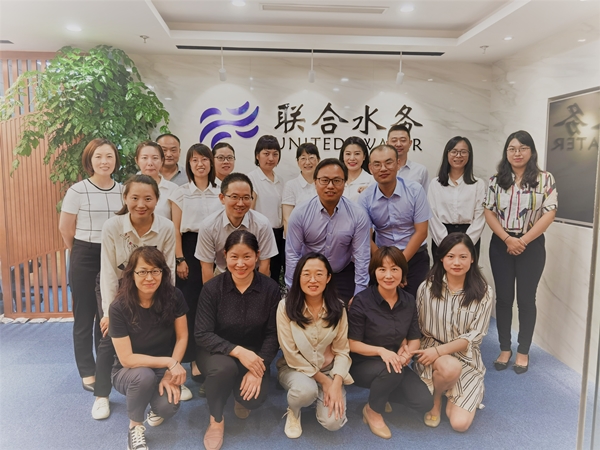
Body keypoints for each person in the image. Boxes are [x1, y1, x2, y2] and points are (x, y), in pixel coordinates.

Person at [91, 174, 182, 421]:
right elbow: (108, 271)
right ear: (125, 198)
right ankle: (101, 394)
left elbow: (168, 268)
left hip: (153, 285)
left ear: (157, 200)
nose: (141, 204)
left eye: (148, 199)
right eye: (135, 198)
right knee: (109, 336)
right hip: (119, 285)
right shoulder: (112, 226)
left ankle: (164, 379)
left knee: (157, 331)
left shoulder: (165, 227)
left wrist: (168, 302)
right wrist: (109, 312)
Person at [195, 230, 280, 450]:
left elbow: (273, 334)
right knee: (224, 370)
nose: (240, 264)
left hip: (254, 353)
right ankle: (216, 420)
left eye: (247, 256)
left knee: (253, 399)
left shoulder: (270, 289)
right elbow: (202, 333)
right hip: (216, 351)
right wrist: (238, 352)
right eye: (234, 257)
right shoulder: (212, 288)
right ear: (225, 256)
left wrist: (258, 368)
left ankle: (235, 392)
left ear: (257, 256)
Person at [484, 130, 557, 374]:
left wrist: (522, 240)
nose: (517, 153)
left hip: (531, 245)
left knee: (526, 300)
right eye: (512, 148)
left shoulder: (545, 179)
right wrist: (507, 239)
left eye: (523, 148)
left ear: (531, 151)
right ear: (506, 152)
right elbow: (489, 212)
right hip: (501, 244)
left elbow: (549, 213)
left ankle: (523, 350)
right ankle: (505, 348)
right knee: (504, 299)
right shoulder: (496, 180)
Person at [59, 138, 123, 393]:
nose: (104, 161)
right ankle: (87, 369)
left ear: (116, 160)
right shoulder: (77, 190)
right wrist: (78, 252)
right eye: (98, 156)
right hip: (85, 253)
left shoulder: (123, 190)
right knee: (85, 315)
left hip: (113, 256)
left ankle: (104, 366)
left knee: (108, 313)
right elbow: (65, 228)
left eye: (109, 156)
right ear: (89, 160)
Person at [348, 246, 432, 439]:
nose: (388, 275)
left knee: (423, 402)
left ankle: (382, 393)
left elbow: (414, 339)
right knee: (391, 371)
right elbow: (352, 344)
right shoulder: (362, 301)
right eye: (382, 269)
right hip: (362, 364)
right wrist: (381, 351)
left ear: (402, 272)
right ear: (374, 272)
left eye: (394, 269)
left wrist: (407, 354)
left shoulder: (408, 300)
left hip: (395, 363)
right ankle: (372, 411)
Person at [412, 233, 493, 432]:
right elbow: (416, 325)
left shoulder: (484, 292)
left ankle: (457, 388)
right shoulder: (427, 288)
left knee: (459, 424)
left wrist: (440, 351)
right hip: (431, 351)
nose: (456, 262)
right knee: (449, 368)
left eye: (463, 257)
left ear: (472, 258)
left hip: (465, 355)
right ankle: (437, 399)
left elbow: (475, 335)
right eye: (450, 256)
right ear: (442, 258)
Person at [109, 247, 188, 450]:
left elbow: (182, 337)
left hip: (161, 368)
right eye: (143, 271)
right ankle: (135, 427)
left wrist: (169, 372)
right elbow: (127, 359)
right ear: (132, 274)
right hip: (128, 371)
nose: (149, 278)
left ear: (163, 272)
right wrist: (170, 362)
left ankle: (153, 404)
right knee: (144, 376)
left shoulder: (174, 296)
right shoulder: (118, 307)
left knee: (168, 406)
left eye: (155, 271)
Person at [277, 252, 352, 439]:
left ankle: (316, 397)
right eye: (306, 274)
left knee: (333, 423)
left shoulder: (338, 308)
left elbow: (342, 350)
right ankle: (294, 410)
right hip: (295, 368)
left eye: (319, 274)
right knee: (305, 391)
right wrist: (325, 382)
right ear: (298, 277)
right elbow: (291, 354)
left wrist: (336, 382)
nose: (313, 280)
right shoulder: (285, 307)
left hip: (328, 370)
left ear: (328, 278)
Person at [170, 143, 222, 378]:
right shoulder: (180, 192)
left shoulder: (221, 189)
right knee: (191, 304)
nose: (200, 164)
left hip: (217, 248)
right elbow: (175, 229)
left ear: (211, 162)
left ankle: (213, 354)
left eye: (204, 159)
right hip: (189, 249)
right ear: (189, 164)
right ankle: (193, 358)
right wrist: (180, 258)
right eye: (194, 160)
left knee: (216, 304)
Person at [286, 158, 371, 303]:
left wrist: (359, 295)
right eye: (324, 180)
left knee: (347, 314)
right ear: (315, 182)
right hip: (310, 275)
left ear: (344, 183)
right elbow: (292, 255)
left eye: (337, 181)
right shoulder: (300, 213)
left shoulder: (358, 214)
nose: (330, 186)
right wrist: (293, 291)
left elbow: (361, 257)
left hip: (342, 273)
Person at [358, 145, 431, 298]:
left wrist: (398, 266)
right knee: (382, 305)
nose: (383, 168)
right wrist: (387, 266)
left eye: (388, 162)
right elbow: (365, 236)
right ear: (370, 168)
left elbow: (421, 232)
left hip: (414, 256)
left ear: (398, 164)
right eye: (377, 164)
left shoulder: (415, 190)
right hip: (381, 258)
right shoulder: (365, 198)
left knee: (415, 303)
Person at [195, 172, 278, 284]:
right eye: (234, 197)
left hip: (253, 275)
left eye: (246, 197)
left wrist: (259, 291)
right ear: (222, 198)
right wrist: (210, 292)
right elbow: (206, 267)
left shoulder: (262, 224)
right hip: (222, 275)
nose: (240, 203)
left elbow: (265, 264)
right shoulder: (208, 226)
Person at [428, 136, 486, 259]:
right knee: (441, 271)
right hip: (441, 237)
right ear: (447, 154)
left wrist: (467, 244)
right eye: (454, 151)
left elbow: (480, 217)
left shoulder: (478, 184)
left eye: (463, 152)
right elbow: (432, 216)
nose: (458, 155)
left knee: (467, 271)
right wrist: (445, 244)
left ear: (469, 155)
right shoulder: (435, 184)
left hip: (469, 236)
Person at [248, 135, 285, 283]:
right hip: (260, 235)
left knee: (274, 277)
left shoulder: (281, 181)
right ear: (257, 155)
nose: (271, 158)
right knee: (260, 276)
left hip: (279, 235)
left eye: (275, 154)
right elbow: (248, 212)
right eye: (266, 153)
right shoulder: (252, 179)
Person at [282, 142, 320, 236]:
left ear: (318, 160)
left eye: (311, 158)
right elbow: (287, 219)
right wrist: (293, 242)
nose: (307, 162)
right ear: (298, 162)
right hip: (297, 238)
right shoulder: (291, 186)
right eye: (303, 158)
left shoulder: (323, 184)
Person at [135, 140, 178, 219]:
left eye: (155, 158)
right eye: (144, 158)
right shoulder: (127, 187)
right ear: (137, 160)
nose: (150, 163)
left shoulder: (173, 189)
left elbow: (176, 223)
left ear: (162, 161)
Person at [387, 124, 429, 192]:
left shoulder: (420, 170)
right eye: (394, 140)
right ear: (387, 143)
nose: (398, 144)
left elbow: (425, 196)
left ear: (410, 143)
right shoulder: (380, 170)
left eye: (403, 140)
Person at [338, 136, 373, 202]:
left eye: (357, 154)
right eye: (348, 154)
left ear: (364, 156)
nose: (352, 158)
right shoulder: (336, 180)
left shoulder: (372, 182)